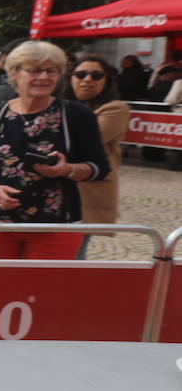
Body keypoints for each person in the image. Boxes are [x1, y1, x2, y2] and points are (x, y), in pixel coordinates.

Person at [0, 41, 110, 261]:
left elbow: (100, 168)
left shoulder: (76, 115)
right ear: (15, 73)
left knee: (46, 291)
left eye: (51, 71)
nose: (44, 77)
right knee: (1, 289)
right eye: (34, 70)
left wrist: (67, 169)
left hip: (56, 226)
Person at [68, 54, 130, 259]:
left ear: (106, 80)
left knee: (74, 253)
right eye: (81, 74)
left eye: (96, 75)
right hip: (53, 190)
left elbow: (87, 139)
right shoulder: (58, 104)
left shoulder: (115, 108)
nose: (87, 79)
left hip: (87, 190)